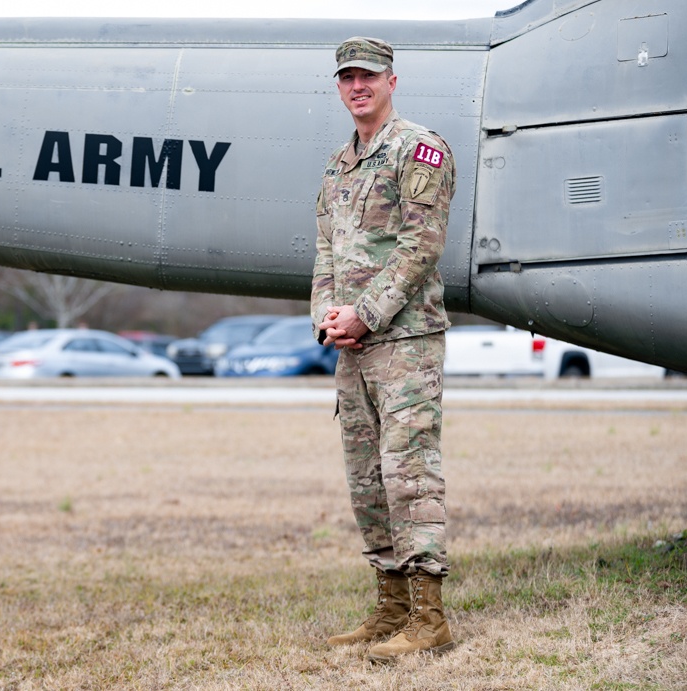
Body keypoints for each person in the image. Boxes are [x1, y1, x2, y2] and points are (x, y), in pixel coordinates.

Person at [311, 36, 456, 662]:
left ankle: (430, 618)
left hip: (405, 343)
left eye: (367, 75)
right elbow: (325, 253)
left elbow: (421, 247)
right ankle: (391, 608)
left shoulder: (419, 150)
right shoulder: (339, 164)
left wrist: (365, 316)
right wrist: (327, 318)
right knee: (367, 480)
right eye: (346, 78)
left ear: (391, 80)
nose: (356, 86)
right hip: (353, 349)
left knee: (409, 475)